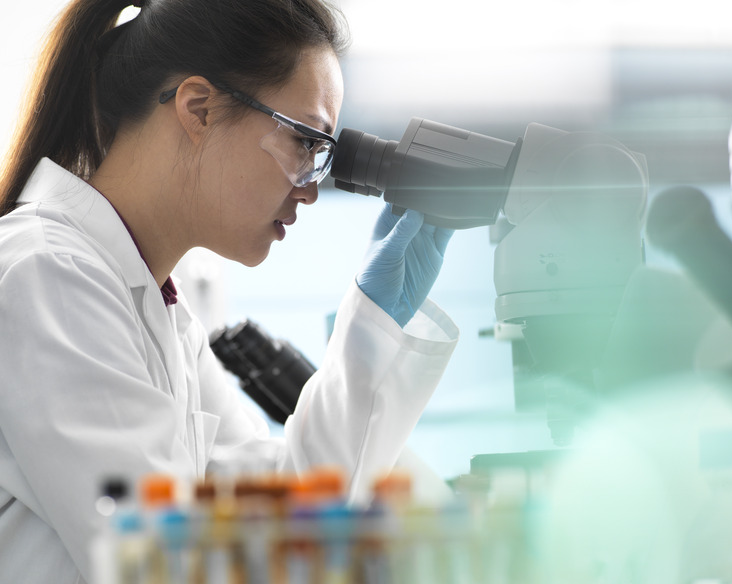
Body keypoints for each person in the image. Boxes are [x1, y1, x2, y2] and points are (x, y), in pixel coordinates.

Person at [0, 0, 459, 581]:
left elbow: (286, 509)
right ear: (199, 108)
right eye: (304, 143)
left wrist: (376, 324)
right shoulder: (49, 278)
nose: (310, 190)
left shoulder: (157, 308)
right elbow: (168, 563)